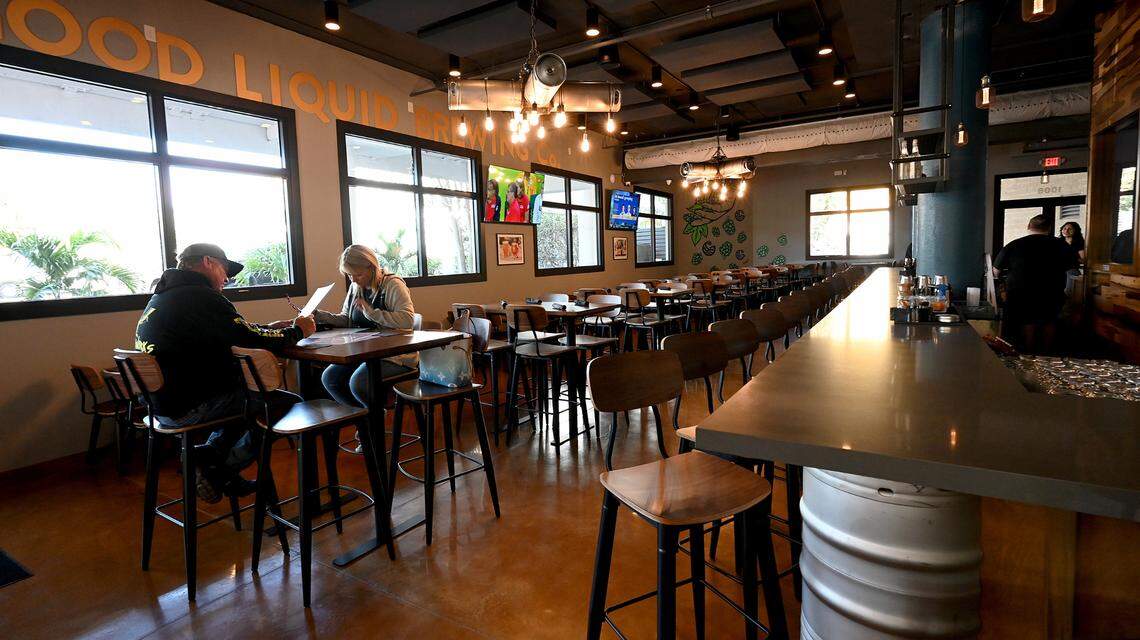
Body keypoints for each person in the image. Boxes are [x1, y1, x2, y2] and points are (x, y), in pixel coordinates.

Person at [135, 243, 316, 503]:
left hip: (160, 408)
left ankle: (208, 454)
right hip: (188, 406)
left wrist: (266, 328)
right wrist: (299, 331)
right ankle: (220, 470)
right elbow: (249, 339)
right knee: (284, 404)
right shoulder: (200, 296)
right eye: (225, 269)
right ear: (207, 261)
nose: (227, 278)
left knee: (245, 400)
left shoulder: (165, 295)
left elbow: (230, 333)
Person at [316, 245, 416, 412]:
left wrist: (372, 313)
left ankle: (372, 423)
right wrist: (320, 315)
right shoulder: (356, 287)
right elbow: (347, 319)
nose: (353, 280)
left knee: (359, 383)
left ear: (372, 267)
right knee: (330, 378)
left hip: (395, 356)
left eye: (358, 274)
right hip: (365, 353)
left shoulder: (392, 285)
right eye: (349, 275)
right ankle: (365, 420)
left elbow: (407, 320)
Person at [992, 214, 1079, 354]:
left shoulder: (1014, 244)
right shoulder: (1062, 245)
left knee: (1027, 322)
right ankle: (1047, 357)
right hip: (1051, 293)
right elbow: (1074, 273)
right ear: (1049, 228)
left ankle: (1027, 356)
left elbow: (995, 272)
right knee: (1049, 321)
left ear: (1028, 227)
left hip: (1020, 295)